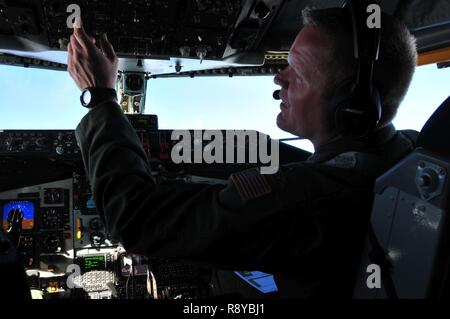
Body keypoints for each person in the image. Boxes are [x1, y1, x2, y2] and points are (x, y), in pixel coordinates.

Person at [68, 7, 417, 298]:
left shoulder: (309, 197)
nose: (280, 77)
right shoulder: (410, 156)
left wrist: (100, 98)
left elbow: (136, 220)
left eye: (298, 72)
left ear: (352, 107)